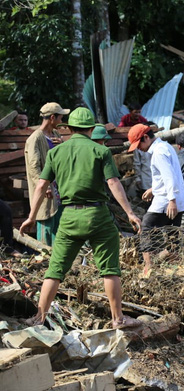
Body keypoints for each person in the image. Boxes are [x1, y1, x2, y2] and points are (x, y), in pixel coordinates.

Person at [19, 107, 142, 329]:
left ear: (70, 128)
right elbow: (113, 183)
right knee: (110, 269)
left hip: (69, 217)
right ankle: (118, 319)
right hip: (98, 216)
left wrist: (31, 217)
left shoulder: (56, 152)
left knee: (55, 270)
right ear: (90, 128)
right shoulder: (101, 151)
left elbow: (40, 185)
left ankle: (38, 318)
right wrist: (130, 213)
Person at [127, 124, 184, 275]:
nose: (138, 149)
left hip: (167, 201)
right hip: (175, 199)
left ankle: (149, 268)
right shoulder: (166, 147)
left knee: (146, 228)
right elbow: (169, 175)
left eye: (139, 144)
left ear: (146, 138)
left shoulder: (159, 153)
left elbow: (169, 176)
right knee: (173, 237)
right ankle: (169, 268)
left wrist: (171, 200)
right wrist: (154, 189)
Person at [24, 102, 68, 245]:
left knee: (58, 222)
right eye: (60, 118)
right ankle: (44, 256)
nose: (61, 121)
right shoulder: (35, 138)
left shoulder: (55, 134)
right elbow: (33, 166)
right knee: (46, 222)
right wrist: (44, 187)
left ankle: (56, 257)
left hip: (58, 187)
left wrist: (62, 144)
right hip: (46, 188)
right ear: (52, 118)